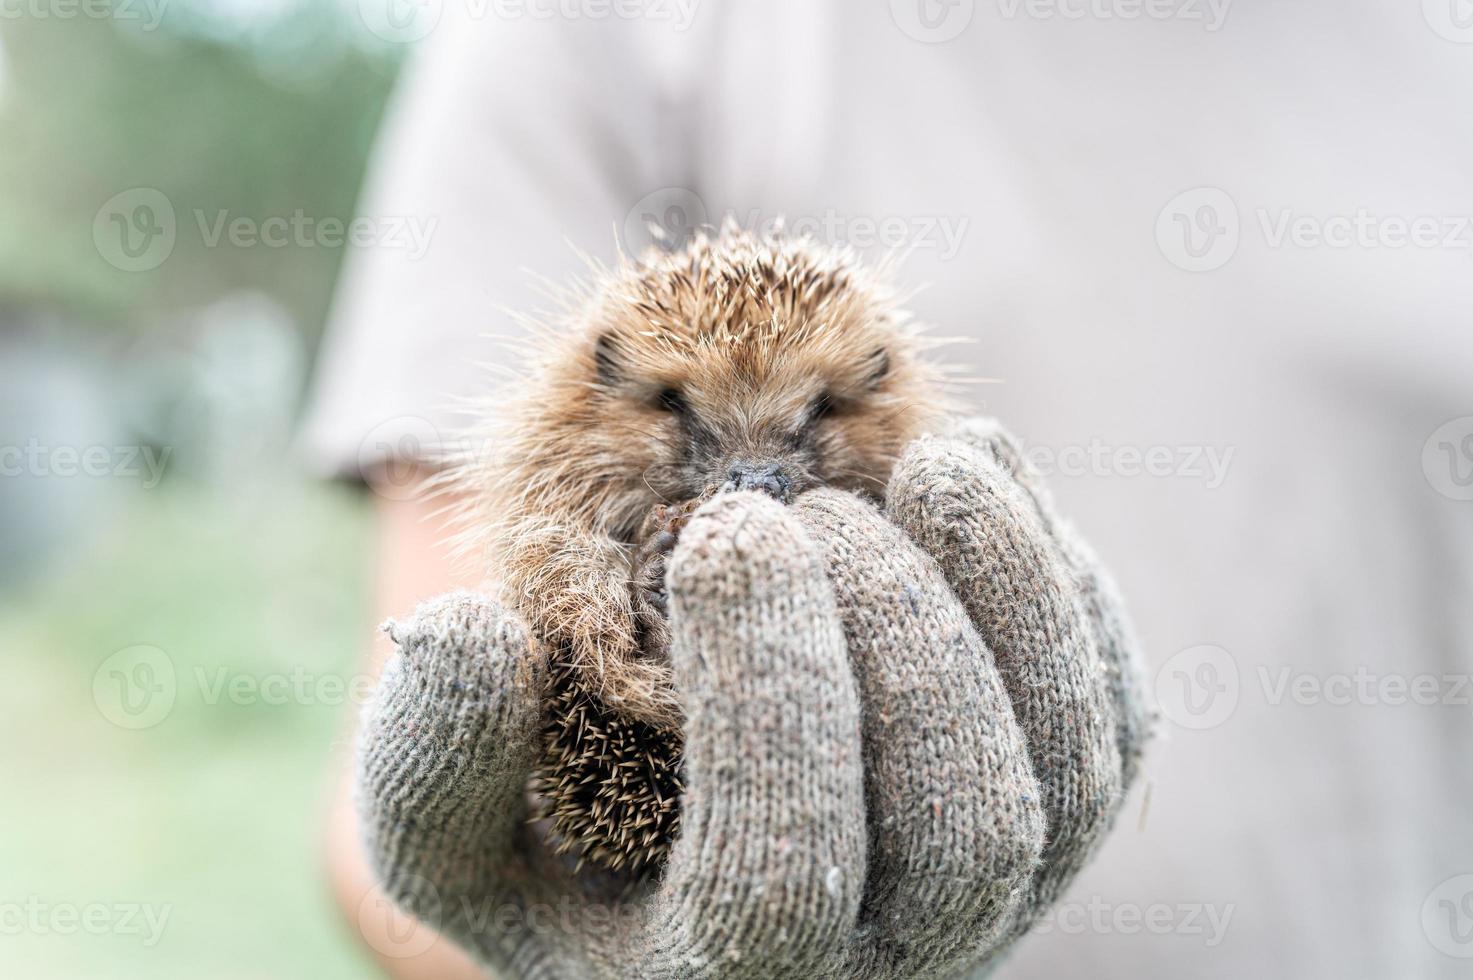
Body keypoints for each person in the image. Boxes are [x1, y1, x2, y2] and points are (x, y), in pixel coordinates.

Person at [307, 4, 1473, 977]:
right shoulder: (600, 28)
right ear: (609, 383)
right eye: (684, 414)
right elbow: (423, 781)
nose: (755, 467)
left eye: (811, 417)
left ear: (868, 387)